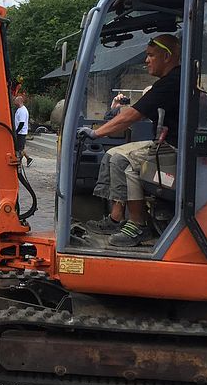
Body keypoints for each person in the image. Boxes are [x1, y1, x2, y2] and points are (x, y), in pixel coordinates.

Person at [77, 34, 182, 247]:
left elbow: (132, 115)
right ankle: (117, 218)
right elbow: (137, 111)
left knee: (126, 162)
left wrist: (97, 133)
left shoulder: (172, 82)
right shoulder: (170, 81)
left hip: (176, 150)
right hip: (166, 143)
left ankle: (138, 224)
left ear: (167, 56)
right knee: (113, 154)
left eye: (151, 55)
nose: (146, 60)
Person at [13, 96, 32, 167]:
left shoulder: (22, 111)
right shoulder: (19, 110)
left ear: (19, 101)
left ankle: (19, 162)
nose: (14, 102)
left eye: (15, 101)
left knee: (20, 149)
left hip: (21, 132)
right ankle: (28, 158)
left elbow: (22, 123)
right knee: (20, 147)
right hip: (20, 132)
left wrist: (16, 131)